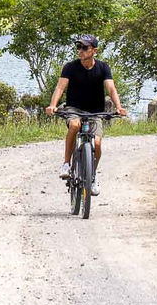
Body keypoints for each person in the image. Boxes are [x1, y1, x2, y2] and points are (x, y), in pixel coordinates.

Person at [44, 33, 127, 191]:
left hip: (95, 112)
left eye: (84, 47)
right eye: (78, 47)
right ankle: (66, 164)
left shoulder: (103, 67)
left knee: (97, 142)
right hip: (74, 109)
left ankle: (92, 176)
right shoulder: (70, 67)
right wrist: (53, 105)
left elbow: (111, 88)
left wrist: (119, 107)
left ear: (94, 50)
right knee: (74, 126)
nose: (80, 50)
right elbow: (60, 87)